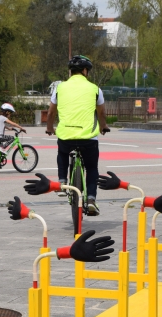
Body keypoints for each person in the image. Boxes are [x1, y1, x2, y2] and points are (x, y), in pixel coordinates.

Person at [45, 55, 110, 216]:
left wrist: (49, 128)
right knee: (92, 167)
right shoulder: (95, 89)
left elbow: (51, 112)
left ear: (71, 72)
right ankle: (92, 199)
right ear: (85, 71)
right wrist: (103, 126)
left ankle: (62, 182)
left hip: (66, 136)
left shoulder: (59, 88)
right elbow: (101, 112)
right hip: (88, 138)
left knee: (62, 153)